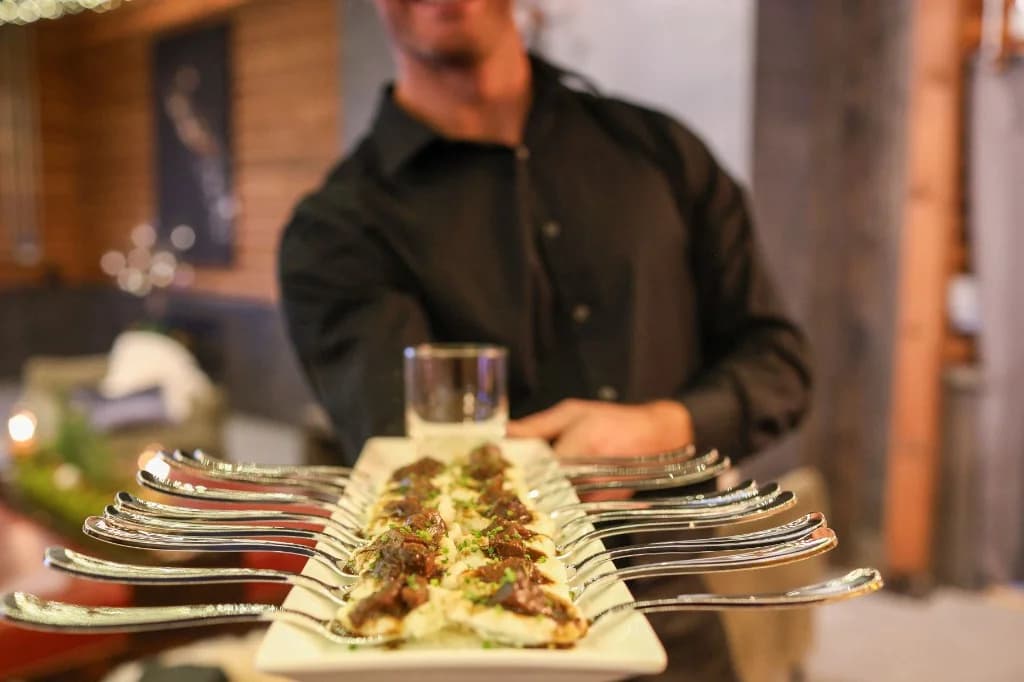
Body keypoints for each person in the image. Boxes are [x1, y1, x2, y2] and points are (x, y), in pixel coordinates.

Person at [279, 1, 812, 679]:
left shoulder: (662, 155)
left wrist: (661, 426)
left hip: (675, 619)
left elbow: (779, 363)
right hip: (473, 647)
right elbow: (409, 457)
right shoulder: (335, 231)